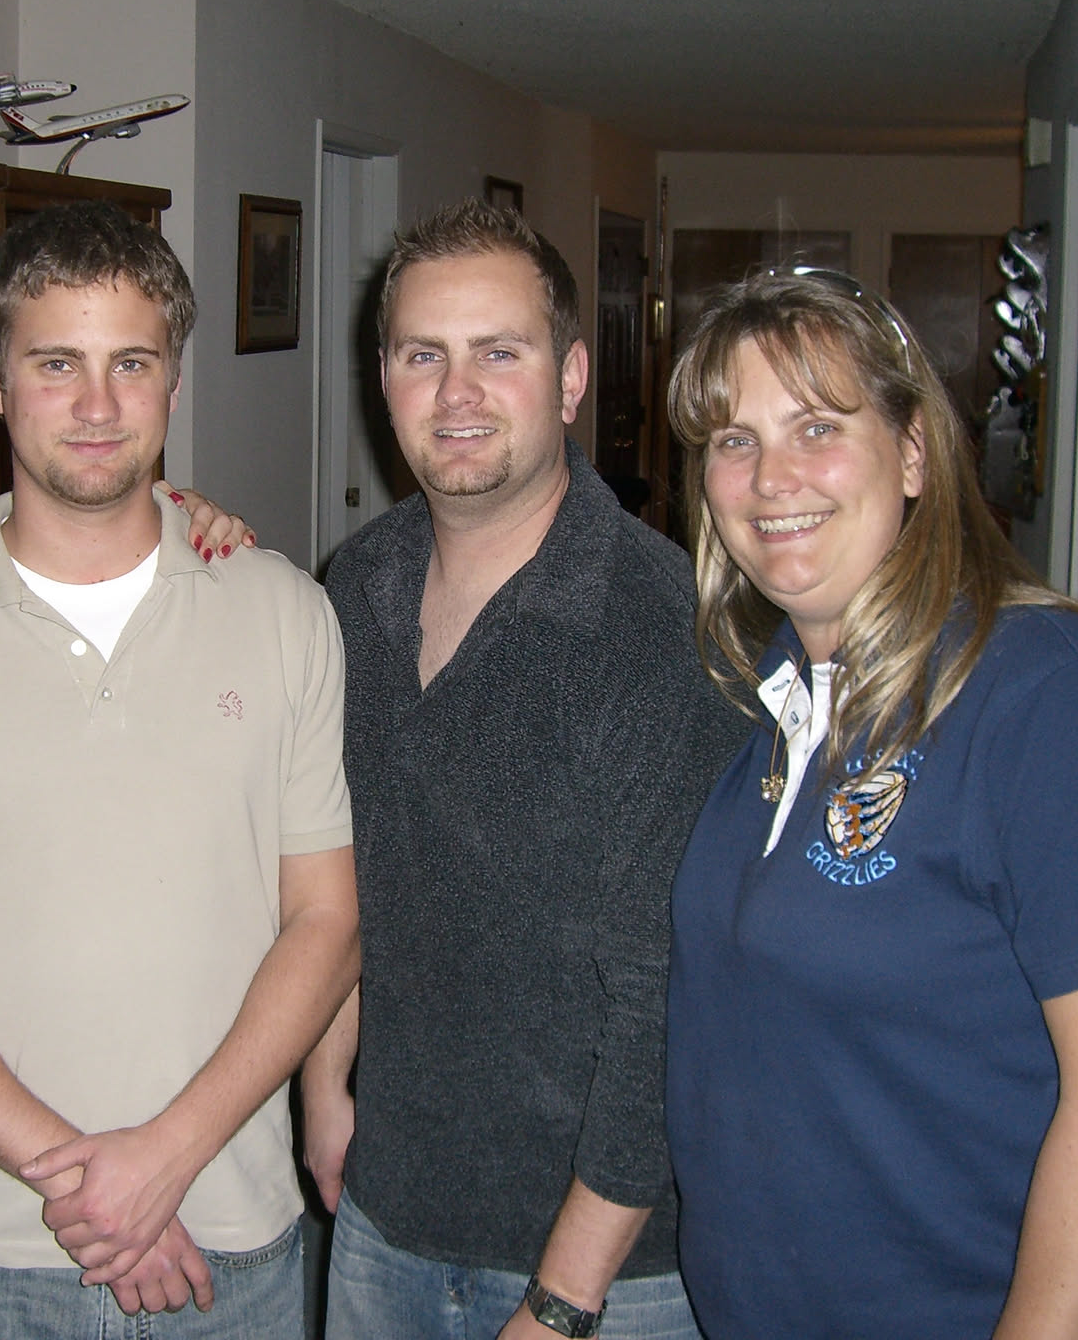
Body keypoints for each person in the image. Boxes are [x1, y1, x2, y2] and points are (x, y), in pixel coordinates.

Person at [0, 199, 358, 1340]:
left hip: (232, 1229)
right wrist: (89, 1182)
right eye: (56, 363)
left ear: (175, 381)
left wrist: (166, 1158)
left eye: (132, 362)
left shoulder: (284, 613)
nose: (99, 405)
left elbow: (324, 923)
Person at [662, 267, 1078, 1340]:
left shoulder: (1052, 695)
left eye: (818, 427)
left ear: (913, 451)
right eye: (734, 440)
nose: (771, 477)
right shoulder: (777, 705)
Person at [308, 199, 746, 1340]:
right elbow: (341, 872)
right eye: (423, 356)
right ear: (384, 379)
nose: (456, 394)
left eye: (499, 353)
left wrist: (562, 1302)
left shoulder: (657, 628)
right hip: (387, 1217)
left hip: (608, 1272)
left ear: (570, 379)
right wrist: (324, 1085)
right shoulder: (355, 586)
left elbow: (666, 999)